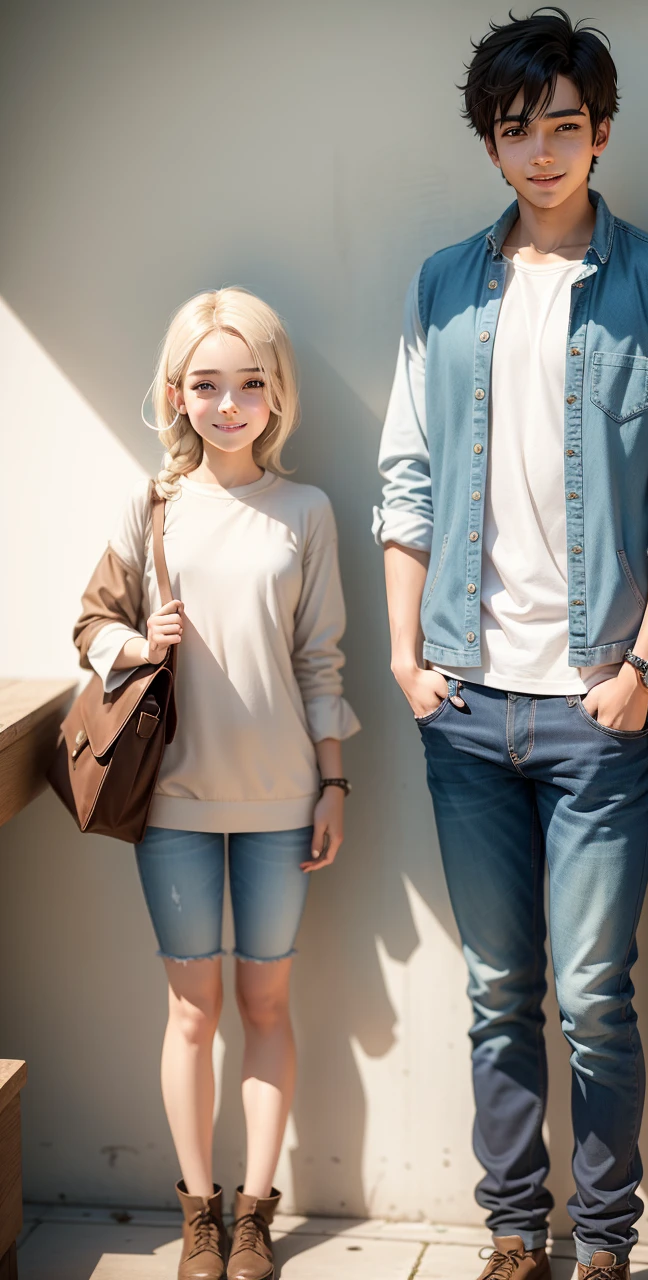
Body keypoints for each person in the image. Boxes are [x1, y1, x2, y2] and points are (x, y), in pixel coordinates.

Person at [374, 9, 648, 1277]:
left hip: (598, 709)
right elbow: (407, 479)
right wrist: (410, 661)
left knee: (592, 993)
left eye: (564, 127)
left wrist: (639, 670)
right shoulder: (441, 286)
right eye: (517, 130)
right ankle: (516, 1229)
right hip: (465, 700)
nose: (542, 152)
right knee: (493, 989)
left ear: (602, 132)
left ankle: (607, 1239)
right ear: (492, 141)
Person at [74, 288, 360, 1280]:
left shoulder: (307, 510)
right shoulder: (149, 503)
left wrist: (334, 785)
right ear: (176, 394)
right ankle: (198, 1209)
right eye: (207, 384)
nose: (228, 403)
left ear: (276, 394)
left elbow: (323, 660)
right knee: (191, 1012)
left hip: (284, 801)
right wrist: (132, 642)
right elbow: (89, 625)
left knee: (267, 1004)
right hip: (173, 805)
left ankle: (254, 1214)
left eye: (249, 383)